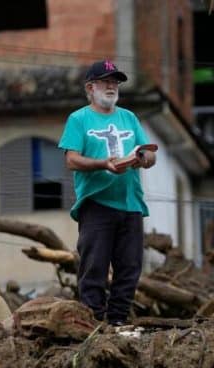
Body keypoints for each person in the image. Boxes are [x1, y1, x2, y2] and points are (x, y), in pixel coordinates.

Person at [58, 59, 156, 326]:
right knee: (94, 268)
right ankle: (93, 325)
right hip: (97, 204)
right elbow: (71, 160)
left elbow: (146, 152)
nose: (112, 86)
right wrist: (103, 164)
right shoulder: (78, 119)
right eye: (106, 81)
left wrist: (144, 158)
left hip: (131, 204)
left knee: (130, 269)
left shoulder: (129, 117)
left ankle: (117, 323)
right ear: (90, 88)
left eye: (115, 82)